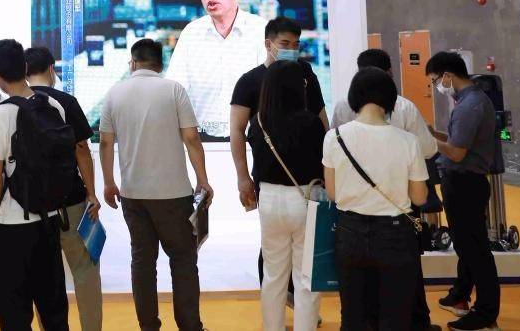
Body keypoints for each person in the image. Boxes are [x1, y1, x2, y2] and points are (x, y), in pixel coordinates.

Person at [99, 38, 209, 331]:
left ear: (133, 62)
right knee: (183, 261)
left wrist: (109, 183)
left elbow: (106, 143)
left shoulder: (114, 94)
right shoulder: (174, 90)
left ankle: (148, 326)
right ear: (160, 64)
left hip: (133, 195)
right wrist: (203, 179)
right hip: (174, 195)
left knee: (142, 262)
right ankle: (190, 326)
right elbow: (191, 138)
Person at [333, 48, 440, 331]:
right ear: (390, 77)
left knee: (354, 310)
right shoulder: (406, 127)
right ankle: (419, 322)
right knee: (397, 306)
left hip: (350, 226)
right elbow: (421, 189)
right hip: (396, 222)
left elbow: (333, 191)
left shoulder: (336, 131)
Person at [0, 39, 69, 331]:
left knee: (15, 312)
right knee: (54, 308)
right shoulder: (53, 105)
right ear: (24, 67)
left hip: (12, 224)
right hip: (50, 218)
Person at [24, 46, 103, 331]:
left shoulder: (16, 104)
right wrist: (91, 193)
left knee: (44, 278)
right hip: (72, 201)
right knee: (85, 270)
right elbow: (81, 148)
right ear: (51, 69)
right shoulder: (66, 102)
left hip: (33, 208)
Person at [426, 52, 502, 331]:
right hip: (464, 181)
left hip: (465, 183)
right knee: (468, 245)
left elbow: (457, 153)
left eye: (435, 80)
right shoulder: (470, 101)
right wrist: (435, 134)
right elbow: (459, 141)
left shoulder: (470, 105)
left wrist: (428, 142)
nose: (437, 86)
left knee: (475, 249)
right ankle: (460, 295)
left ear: (448, 75)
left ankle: (486, 312)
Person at [247, 60, 325, 331]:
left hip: (269, 199)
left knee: (273, 274)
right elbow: (321, 163)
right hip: (304, 198)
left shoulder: (257, 123)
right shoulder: (311, 123)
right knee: (306, 276)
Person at [165, 0, 269, 138]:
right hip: (203, 143)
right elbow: (173, 93)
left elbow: (276, 95)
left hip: (252, 144)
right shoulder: (191, 34)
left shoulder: (261, 31)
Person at [230, 17, 329, 212]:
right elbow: (237, 130)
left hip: (309, 176)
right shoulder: (249, 81)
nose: (292, 50)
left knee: (311, 229)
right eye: (285, 44)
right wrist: (242, 177)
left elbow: (321, 116)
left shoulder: (306, 73)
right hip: (268, 175)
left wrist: (329, 167)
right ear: (268, 44)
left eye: (296, 44)